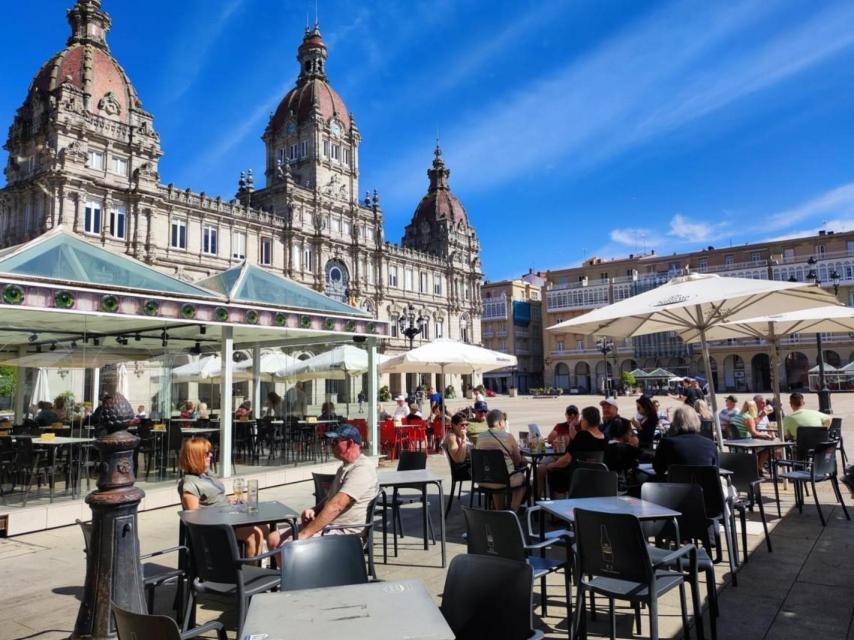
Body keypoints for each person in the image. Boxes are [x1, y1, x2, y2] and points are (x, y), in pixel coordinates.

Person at [178, 437, 276, 556]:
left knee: (265, 527)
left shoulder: (205, 475)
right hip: (217, 526)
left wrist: (230, 499)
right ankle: (251, 571)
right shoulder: (190, 484)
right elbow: (195, 518)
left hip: (226, 515)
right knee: (255, 534)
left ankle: (276, 561)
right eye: (207, 453)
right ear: (196, 456)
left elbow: (213, 499)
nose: (211, 455)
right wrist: (225, 513)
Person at [285, 424, 379, 541]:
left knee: (289, 544)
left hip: (346, 531)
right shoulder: (344, 467)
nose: (330, 445)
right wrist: (315, 509)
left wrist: (304, 534)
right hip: (329, 526)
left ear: (350, 443)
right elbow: (331, 498)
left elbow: (337, 505)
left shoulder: (362, 468)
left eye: (335, 442)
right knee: (274, 539)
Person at [543, 406, 608, 499]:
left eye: (582, 419)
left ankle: (558, 508)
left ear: (585, 421)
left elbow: (565, 461)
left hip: (578, 477)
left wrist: (552, 465)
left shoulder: (582, 436)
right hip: (597, 477)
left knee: (555, 474)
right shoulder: (604, 438)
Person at [474, 409, 527, 510]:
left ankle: (499, 510)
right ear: (500, 422)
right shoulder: (508, 436)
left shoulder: (480, 437)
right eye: (504, 421)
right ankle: (512, 511)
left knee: (496, 474)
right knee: (522, 480)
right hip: (503, 480)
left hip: (483, 480)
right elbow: (517, 461)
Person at [652, 406, 719, 477]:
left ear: (675, 422)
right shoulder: (710, 444)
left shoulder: (667, 443)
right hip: (705, 486)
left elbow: (658, 469)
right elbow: (715, 469)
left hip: (676, 486)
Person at [445, 412, 472, 476]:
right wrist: (463, 440)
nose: (465, 427)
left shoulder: (460, 435)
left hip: (469, 466)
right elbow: (458, 460)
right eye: (462, 425)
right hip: (463, 470)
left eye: (466, 424)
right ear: (454, 425)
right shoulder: (452, 438)